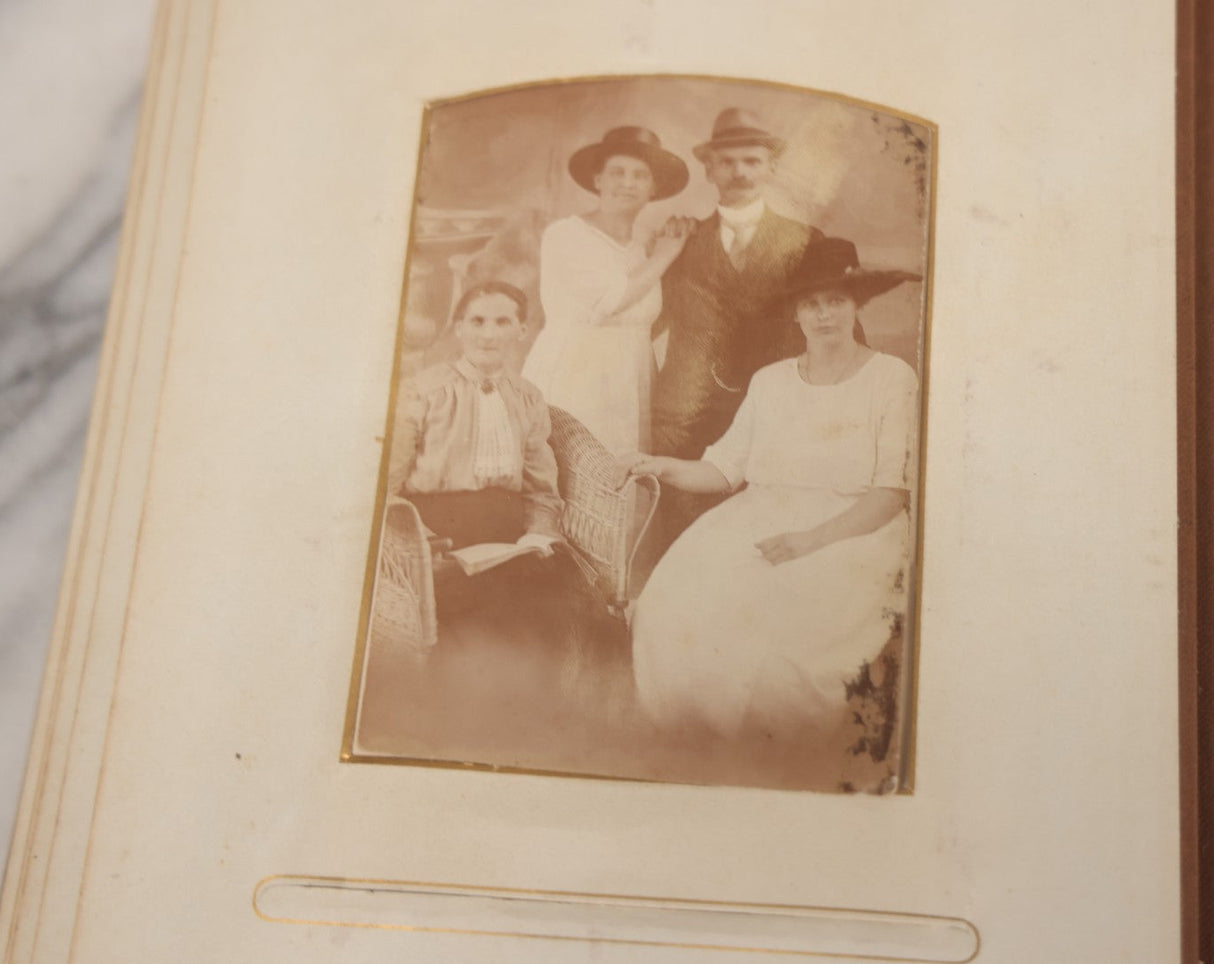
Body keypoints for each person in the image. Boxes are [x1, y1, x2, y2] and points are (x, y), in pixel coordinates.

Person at [628, 237, 922, 738]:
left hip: (853, 529)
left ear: (856, 306)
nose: (824, 314)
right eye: (811, 303)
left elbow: (889, 494)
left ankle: (772, 752)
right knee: (674, 600)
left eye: (836, 301)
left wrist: (808, 541)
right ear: (795, 313)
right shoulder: (771, 381)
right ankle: (695, 740)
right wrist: (659, 465)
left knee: (780, 623)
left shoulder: (891, 378)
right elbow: (724, 469)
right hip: (757, 516)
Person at [388, 281, 613, 656]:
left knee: (556, 595)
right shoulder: (423, 391)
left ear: (521, 330)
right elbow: (385, 488)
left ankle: (538, 703)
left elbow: (542, 489)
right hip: (436, 530)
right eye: (476, 321)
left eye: (502, 322)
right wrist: (423, 541)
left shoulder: (527, 397)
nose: (489, 334)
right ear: (458, 327)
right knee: (473, 610)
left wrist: (538, 536)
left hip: (508, 531)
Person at [649, 107, 826, 542]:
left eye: (752, 161)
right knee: (682, 546)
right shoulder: (677, 241)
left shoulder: (806, 242)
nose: (740, 171)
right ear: (708, 169)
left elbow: (834, 334)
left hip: (774, 416)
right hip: (686, 419)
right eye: (727, 161)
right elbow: (643, 323)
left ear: (771, 169)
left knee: (762, 543)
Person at [522, 126, 692, 456]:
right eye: (617, 172)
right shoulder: (567, 235)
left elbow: (649, 316)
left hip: (632, 377)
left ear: (654, 188)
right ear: (598, 180)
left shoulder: (645, 242)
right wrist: (668, 253)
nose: (627, 183)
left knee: (627, 479)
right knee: (579, 477)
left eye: (640, 175)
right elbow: (613, 300)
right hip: (577, 373)